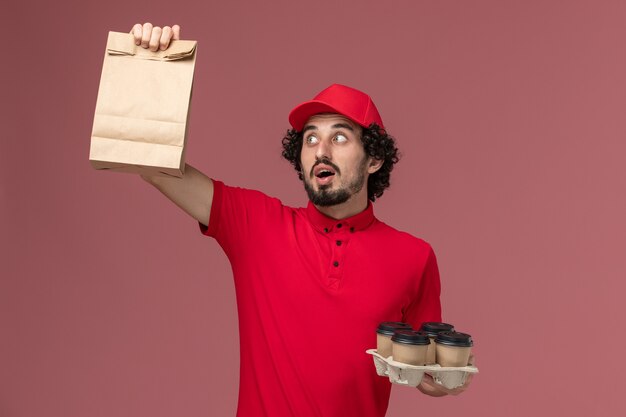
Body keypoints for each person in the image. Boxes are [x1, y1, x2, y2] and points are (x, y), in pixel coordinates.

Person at [128, 22, 473, 417]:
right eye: (310, 138)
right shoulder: (256, 224)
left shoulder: (415, 256)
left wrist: (441, 383)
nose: (320, 150)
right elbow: (153, 167)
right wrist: (151, 69)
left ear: (374, 159)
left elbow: (425, 370)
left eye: (339, 137)